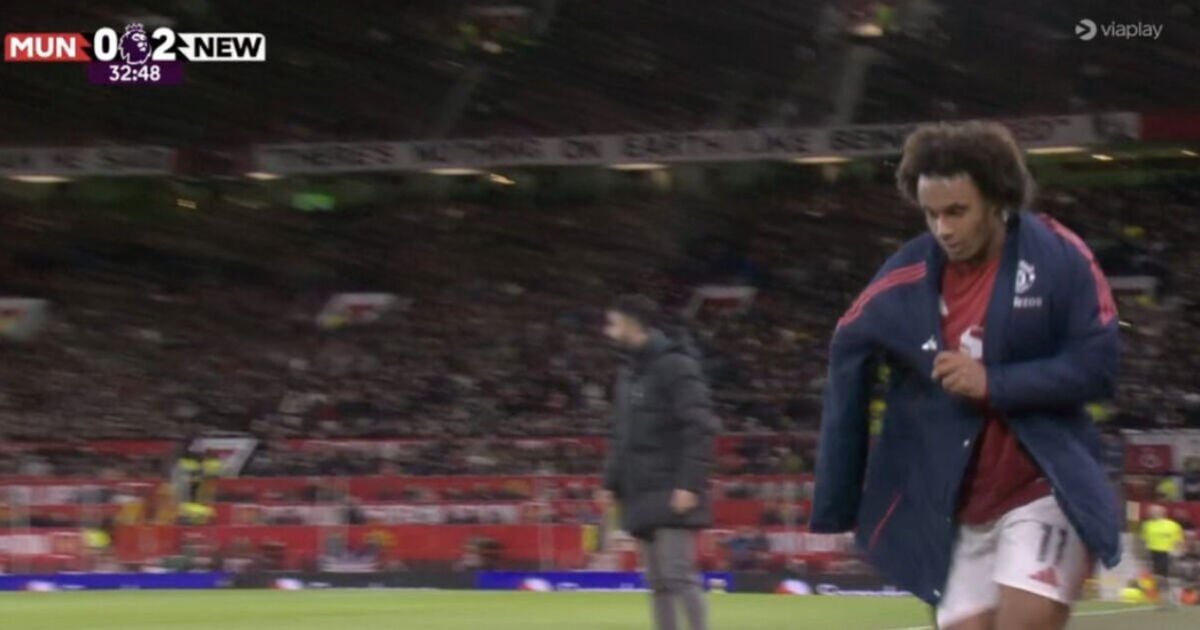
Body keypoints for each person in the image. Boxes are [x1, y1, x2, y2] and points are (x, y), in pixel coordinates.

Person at [810, 121, 1122, 630]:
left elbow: (1098, 368)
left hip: (1042, 490)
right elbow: (847, 346)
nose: (944, 229)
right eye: (931, 214)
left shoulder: (1060, 257)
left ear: (998, 199)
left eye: (957, 211)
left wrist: (994, 384)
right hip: (954, 515)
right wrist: (836, 502)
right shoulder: (904, 278)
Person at [599, 294, 718, 630]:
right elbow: (622, 435)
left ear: (631, 323)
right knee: (658, 583)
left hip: (671, 487)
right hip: (640, 491)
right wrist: (610, 483)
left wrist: (689, 483)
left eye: (612, 323)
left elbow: (700, 426)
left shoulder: (676, 366)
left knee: (678, 575)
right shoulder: (628, 374)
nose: (608, 331)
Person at [1140, 504, 1184, 608]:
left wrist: (1176, 552)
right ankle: (1166, 600)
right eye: (1151, 511)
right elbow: (1144, 540)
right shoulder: (1147, 525)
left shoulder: (1172, 525)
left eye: (1155, 511)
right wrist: (1145, 555)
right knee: (1159, 578)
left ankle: (1173, 599)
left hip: (1168, 553)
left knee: (1167, 577)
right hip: (1154, 553)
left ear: (1163, 512)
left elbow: (1179, 540)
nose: (1152, 513)